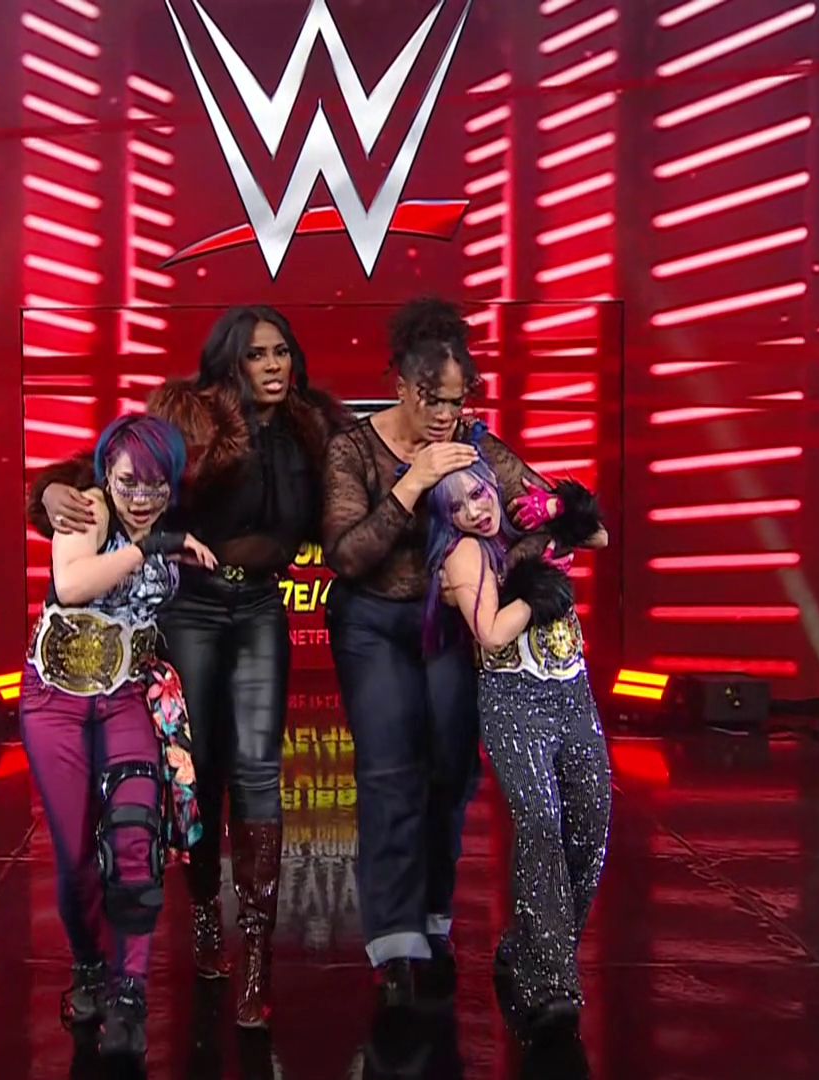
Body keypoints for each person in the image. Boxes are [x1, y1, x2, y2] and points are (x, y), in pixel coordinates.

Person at [32, 306, 348, 1028]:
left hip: (261, 604)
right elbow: (112, 472)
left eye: (281, 352)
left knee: (260, 771)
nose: (274, 366)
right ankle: (207, 918)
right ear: (231, 360)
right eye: (258, 354)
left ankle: (256, 956)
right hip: (193, 607)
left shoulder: (314, 429)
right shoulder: (190, 418)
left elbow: (361, 480)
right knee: (197, 769)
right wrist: (50, 492)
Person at [319, 296, 564, 1007]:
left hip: (449, 624)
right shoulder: (353, 449)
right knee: (390, 771)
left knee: (452, 770)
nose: (445, 415)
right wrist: (416, 481)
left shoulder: (476, 445)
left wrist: (497, 567)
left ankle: (432, 915)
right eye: (433, 399)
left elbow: (547, 513)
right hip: (373, 622)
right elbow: (347, 555)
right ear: (401, 385)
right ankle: (393, 940)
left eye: (457, 401)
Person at [22, 414, 216, 1061]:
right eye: (130, 481)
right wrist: (151, 546)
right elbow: (72, 585)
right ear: (108, 473)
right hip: (56, 704)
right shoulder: (90, 510)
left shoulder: (169, 520)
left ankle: (131, 990)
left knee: (136, 838)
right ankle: (89, 967)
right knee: (77, 857)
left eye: (156, 485)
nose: (142, 497)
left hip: (126, 698)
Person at [423, 459, 611, 1047]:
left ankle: (531, 944)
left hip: (573, 694)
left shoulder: (522, 525)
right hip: (515, 703)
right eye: (458, 506)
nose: (475, 510)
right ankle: (551, 982)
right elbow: (491, 632)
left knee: (592, 822)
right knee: (541, 823)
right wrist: (538, 588)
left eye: (479, 494)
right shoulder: (465, 554)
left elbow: (599, 536)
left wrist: (560, 509)